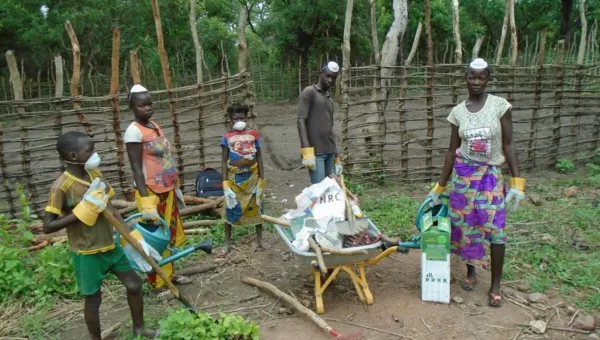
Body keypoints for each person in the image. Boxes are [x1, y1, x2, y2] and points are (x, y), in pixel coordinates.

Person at [428, 58, 526, 307]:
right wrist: (440, 187)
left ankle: (495, 285)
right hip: (463, 176)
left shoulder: (499, 106)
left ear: (488, 79)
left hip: (490, 176)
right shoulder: (458, 112)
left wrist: (517, 182)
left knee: (496, 229)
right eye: (472, 77)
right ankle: (471, 272)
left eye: (481, 77)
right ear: (466, 78)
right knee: (466, 226)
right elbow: (452, 151)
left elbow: (509, 143)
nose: (476, 82)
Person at [43, 131, 158, 339]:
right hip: (87, 253)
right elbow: (48, 226)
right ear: (73, 155)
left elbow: (111, 208)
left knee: (134, 284)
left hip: (110, 246)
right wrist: (80, 211)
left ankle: (139, 329)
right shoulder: (61, 186)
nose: (95, 153)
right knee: (94, 301)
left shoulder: (96, 175)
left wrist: (130, 234)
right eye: (90, 150)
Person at [124, 84, 192, 297]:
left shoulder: (153, 125)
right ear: (133, 107)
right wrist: (145, 201)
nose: (147, 108)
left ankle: (170, 274)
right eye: (141, 105)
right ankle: (157, 285)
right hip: (151, 193)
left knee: (169, 234)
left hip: (167, 188)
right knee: (154, 239)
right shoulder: (133, 131)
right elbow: (136, 167)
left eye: (149, 104)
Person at [220, 103, 266, 254]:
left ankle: (260, 239)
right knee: (230, 207)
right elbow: (224, 160)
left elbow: (259, 156)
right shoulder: (226, 138)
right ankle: (227, 242)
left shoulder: (254, 135)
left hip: (253, 177)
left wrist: (262, 179)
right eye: (235, 118)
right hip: (234, 178)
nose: (239, 120)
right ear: (230, 120)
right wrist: (225, 183)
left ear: (246, 118)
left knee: (257, 206)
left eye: (242, 117)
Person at [297, 61, 343, 184]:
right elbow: (301, 120)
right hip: (316, 153)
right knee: (319, 191)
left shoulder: (329, 100)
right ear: (320, 73)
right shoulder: (309, 92)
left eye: (334, 78)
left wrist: (336, 156)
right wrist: (306, 150)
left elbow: (330, 128)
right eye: (328, 76)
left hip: (330, 151)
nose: (330, 80)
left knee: (329, 191)